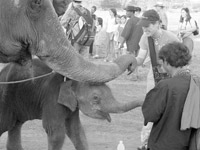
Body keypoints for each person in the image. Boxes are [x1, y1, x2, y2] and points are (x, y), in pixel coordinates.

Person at [126, 9, 180, 150]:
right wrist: (131, 63)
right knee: (151, 108)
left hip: (172, 77)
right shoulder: (145, 38)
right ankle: (145, 143)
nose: (145, 29)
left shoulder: (171, 38)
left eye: (148, 25)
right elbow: (140, 58)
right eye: (143, 26)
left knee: (172, 110)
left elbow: (181, 61)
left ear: (158, 24)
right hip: (154, 76)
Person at [142, 41, 196, 150]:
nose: (161, 67)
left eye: (162, 63)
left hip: (165, 143)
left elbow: (150, 114)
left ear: (166, 61)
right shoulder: (197, 83)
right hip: (191, 142)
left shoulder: (166, 86)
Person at [119, 5, 143, 80]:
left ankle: (134, 76)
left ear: (131, 12)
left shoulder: (130, 21)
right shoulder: (139, 20)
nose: (126, 13)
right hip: (139, 43)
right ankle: (137, 74)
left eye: (127, 11)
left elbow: (127, 33)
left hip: (132, 43)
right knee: (136, 59)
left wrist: (122, 43)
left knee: (132, 60)